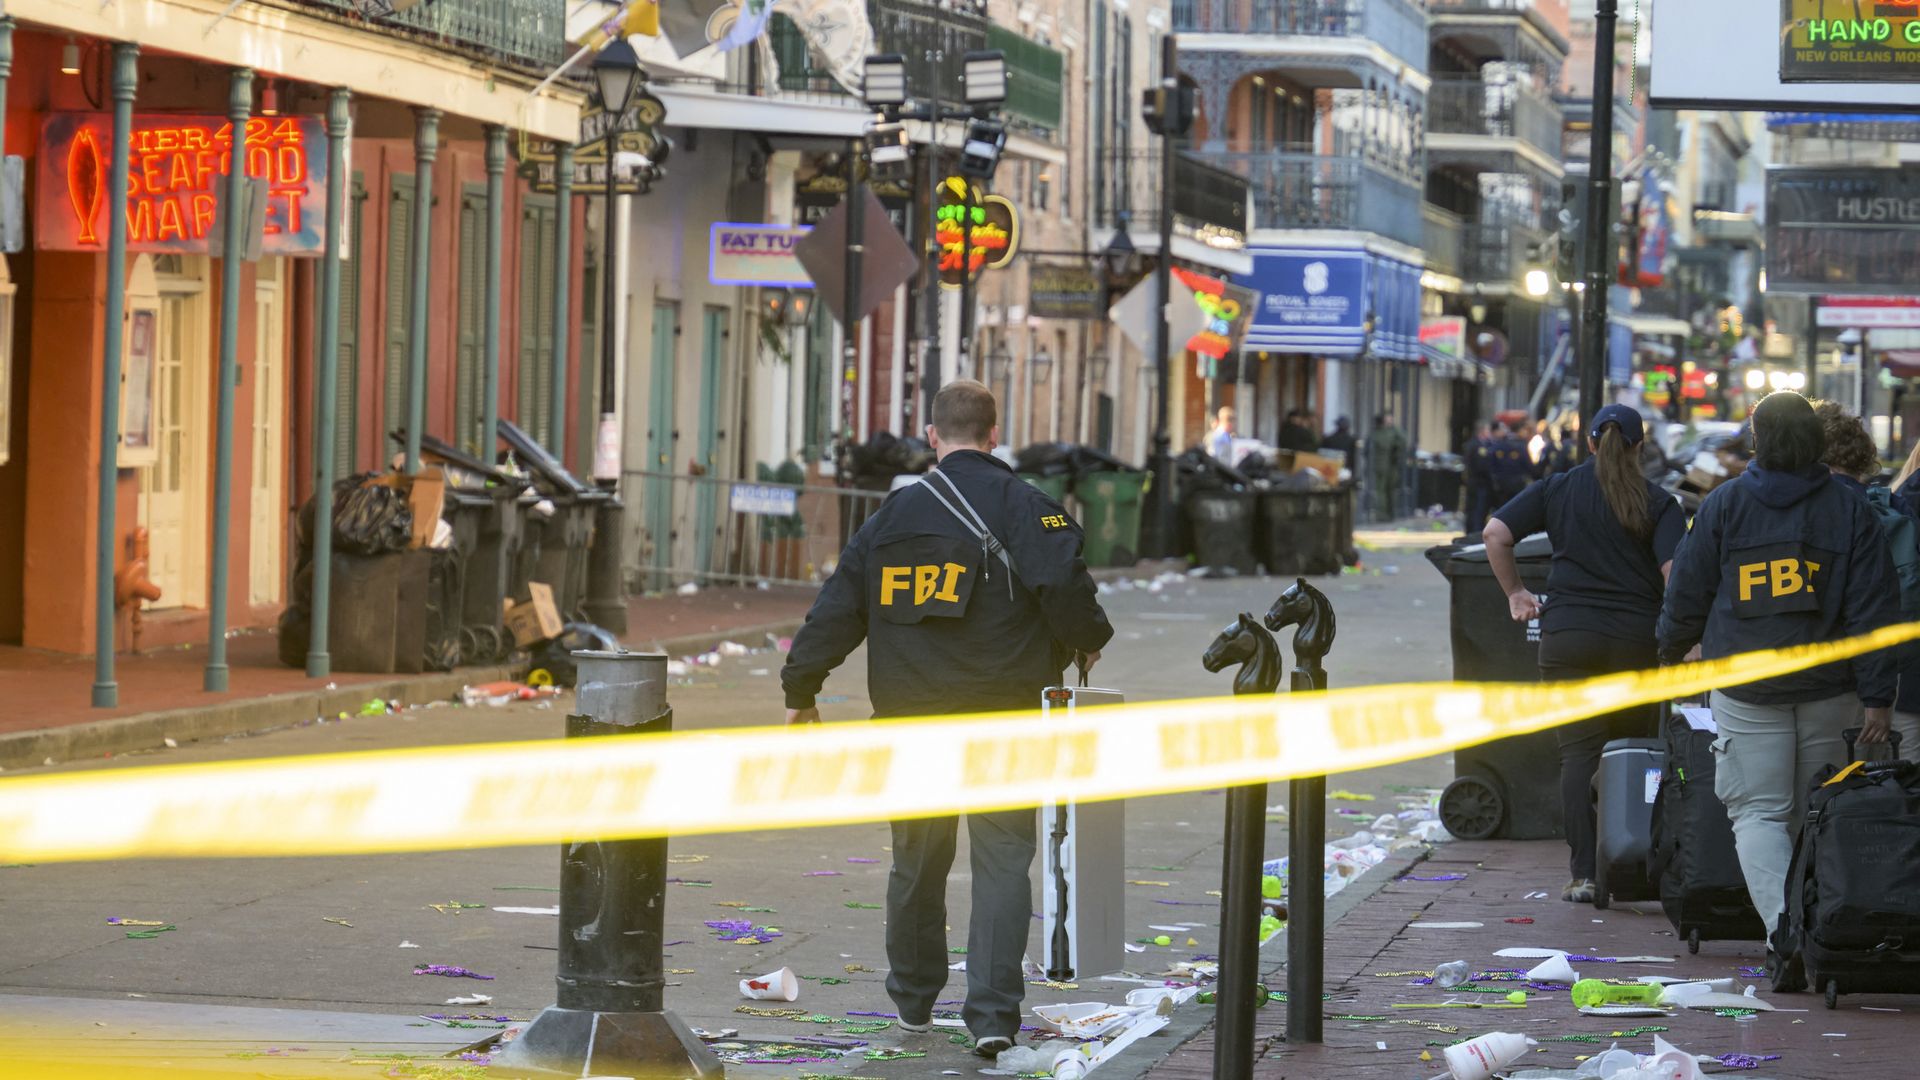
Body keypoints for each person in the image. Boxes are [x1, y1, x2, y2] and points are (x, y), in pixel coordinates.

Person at [780, 380, 1114, 1058]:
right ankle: (991, 1017)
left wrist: (802, 690)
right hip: (1003, 718)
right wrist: (1089, 636)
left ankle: (913, 1002)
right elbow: (1068, 591)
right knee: (1001, 863)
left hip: (910, 721)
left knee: (917, 860)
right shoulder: (1027, 507)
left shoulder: (890, 519)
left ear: (933, 435)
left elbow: (836, 609)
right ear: (995, 434)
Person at [1657, 391, 1901, 968]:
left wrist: (1670, 651)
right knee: (1812, 811)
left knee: (1759, 812)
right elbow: (1874, 608)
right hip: (1830, 685)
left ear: (1756, 438)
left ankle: (1785, 935)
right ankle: (1815, 927)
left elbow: (1687, 589)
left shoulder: (1725, 505)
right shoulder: (1849, 510)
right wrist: (1877, 696)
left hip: (1747, 689)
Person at [1483, 404, 1686, 903]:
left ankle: (1584, 873)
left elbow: (1495, 533)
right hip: (1636, 643)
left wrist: (1516, 593)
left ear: (1591, 443)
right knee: (1630, 754)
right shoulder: (1659, 502)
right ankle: (1629, 862)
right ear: (1640, 446)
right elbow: (1674, 576)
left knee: (1577, 756)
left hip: (1569, 639)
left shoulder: (1557, 488)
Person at [1817, 401, 1920, 762]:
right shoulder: (1892, 507)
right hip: (1889, 683)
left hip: (1814, 681)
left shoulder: (1806, 508)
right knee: (1882, 795)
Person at [1368, 412, 1407, 521]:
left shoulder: (1376, 434)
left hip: (1384, 466)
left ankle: (1384, 514)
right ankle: (1387, 514)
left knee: (1384, 491)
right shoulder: (1388, 434)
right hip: (1388, 466)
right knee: (1386, 492)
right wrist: (1394, 427)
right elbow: (1403, 441)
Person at [1464, 422, 1495, 534]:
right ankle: (1475, 533)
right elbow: (1481, 466)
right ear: (1482, 431)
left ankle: (1473, 531)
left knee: (1475, 510)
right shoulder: (1478, 446)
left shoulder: (1475, 444)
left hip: (1475, 483)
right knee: (1478, 510)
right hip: (1479, 483)